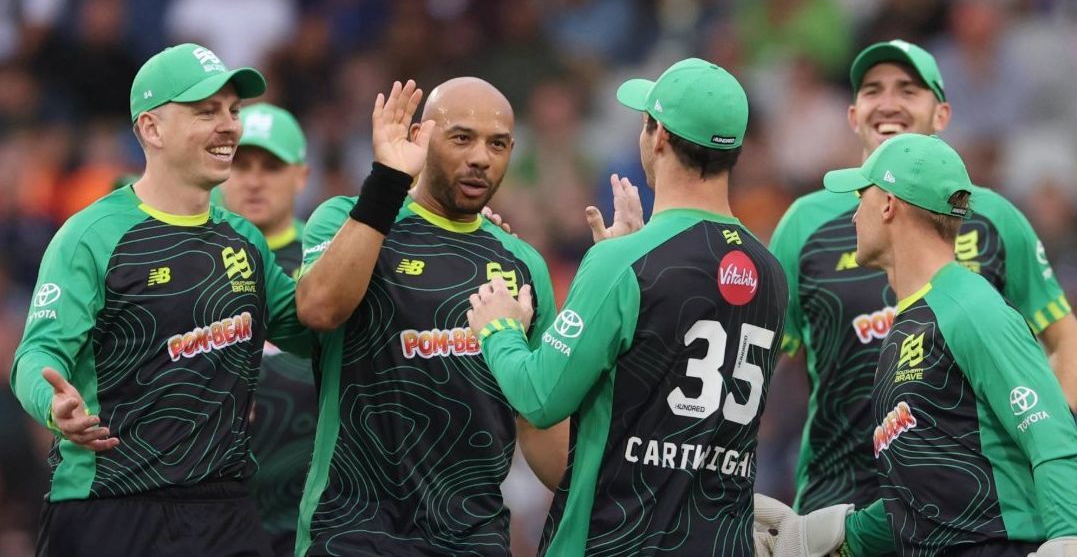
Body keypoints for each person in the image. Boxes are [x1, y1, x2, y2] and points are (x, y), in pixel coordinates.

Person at [467, 58, 788, 556]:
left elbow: (538, 396)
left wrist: (501, 328)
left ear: (657, 135)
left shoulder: (622, 262)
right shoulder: (770, 271)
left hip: (616, 541)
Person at [10, 43, 310, 556]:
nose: (229, 126)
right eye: (206, 111)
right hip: (111, 504)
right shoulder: (93, 234)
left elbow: (312, 328)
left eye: (233, 110)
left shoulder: (245, 241)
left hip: (224, 510)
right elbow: (35, 357)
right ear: (151, 128)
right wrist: (54, 405)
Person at [768, 39, 1077, 515]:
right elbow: (757, 355)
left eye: (908, 90)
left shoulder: (993, 216)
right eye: (873, 90)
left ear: (942, 115)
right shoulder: (804, 223)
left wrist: (1046, 444)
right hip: (840, 501)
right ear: (853, 116)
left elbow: (1063, 336)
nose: (888, 102)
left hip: (968, 507)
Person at [293, 78, 570, 556]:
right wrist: (387, 182)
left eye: (497, 144)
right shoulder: (349, 218)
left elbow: (539, 425)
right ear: (422, 136)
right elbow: (319, 308)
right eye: (462, 138)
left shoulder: (523, 263)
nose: (481, 157)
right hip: (352, 531)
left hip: (472, 539)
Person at [219, 103, 315, 557]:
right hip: (204, 511)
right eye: (240, 162)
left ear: (301, 176)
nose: (254, 180)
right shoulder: (184, 256)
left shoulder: (332, 262)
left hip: (313, 513)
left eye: (271, 166)